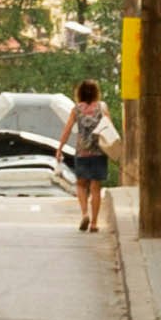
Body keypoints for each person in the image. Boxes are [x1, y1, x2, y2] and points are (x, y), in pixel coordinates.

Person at [59, 74, 117, 233]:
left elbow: (67, 130)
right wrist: (115, 149)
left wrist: (59, 149)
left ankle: (85, 213)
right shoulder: (102, 107)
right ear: (96, 92)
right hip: (99, 151)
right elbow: (109, 128)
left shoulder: (77, 109)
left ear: (81, 93)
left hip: (82, 152)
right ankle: (94, 223)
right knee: (95, 188)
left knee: (81, 184)